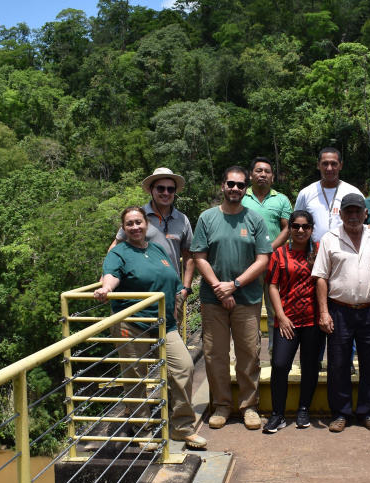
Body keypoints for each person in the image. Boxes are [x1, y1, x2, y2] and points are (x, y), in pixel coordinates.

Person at [94, 206, 207, 449]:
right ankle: (142, 430)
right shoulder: (119, 252)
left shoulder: (157, 249)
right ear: (123, 229)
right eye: (129, 224)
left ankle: (182, 427)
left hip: (165, 322)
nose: (135, 227)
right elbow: (111, 275)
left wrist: (180, 294)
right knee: (136, 377)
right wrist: (107, 288)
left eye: (138, 222)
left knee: (183, 368)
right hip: (132, 324)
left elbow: (171, 278)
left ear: (147, 225)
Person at [192, 166, 272, 431]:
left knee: (249, 353)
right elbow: (199, 257)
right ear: (222, 186)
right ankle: (222, 405)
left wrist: (235, 285)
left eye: (240, 185)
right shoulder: (207, 218)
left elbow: (263, 260)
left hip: (247, 298)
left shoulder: (255, 220)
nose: (235, 189)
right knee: (215, 354)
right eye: (230, 184)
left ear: (245, 188)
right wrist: (219, 287)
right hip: (213, 300)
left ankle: (249, 406)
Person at [313, 194, 370, 433]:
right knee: (338, 364)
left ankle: (368, 412)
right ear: (341, 214)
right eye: (348, 211)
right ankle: (340, 413)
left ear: (365, 213)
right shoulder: (330, 239)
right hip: (339, 310)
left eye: (358, 211)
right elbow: (321, 278)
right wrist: (324, 312)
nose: (353, 216)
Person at [109, 168, 195, 326]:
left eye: (170, 189)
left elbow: (189, 255)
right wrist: (108, 276)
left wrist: (186, 289)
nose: (166, 192)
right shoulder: (137, 218)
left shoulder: (182, 220)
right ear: (151, 190)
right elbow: (116, 247)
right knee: (142, 344)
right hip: (139, 294)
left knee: (168, 342)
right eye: (160, 188)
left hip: (171, 293)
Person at [262, 210, 324, 433]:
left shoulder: (318, 251)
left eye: (305, 226)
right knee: (279, 365)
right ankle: (278, 413)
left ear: (311, 229)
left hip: (313, 320)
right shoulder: (279, 253)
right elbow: (272, 285)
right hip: (286, 320)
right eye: (295, 226)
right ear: (289, 229)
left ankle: (303, 409)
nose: (300, 230)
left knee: (310, 365)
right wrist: (281, 316)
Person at [241, 157, 292, 351]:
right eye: (259, 171)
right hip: (247, 264)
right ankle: (249, 353)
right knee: (248, 311)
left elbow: (287, 229)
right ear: (251, 174)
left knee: (275, 310)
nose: (263, 174)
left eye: (267, 171)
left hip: (274, 264)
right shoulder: (242, 197)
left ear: (272, 176)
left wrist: (268, 250)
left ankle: (274, 352)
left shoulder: (281, 199)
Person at [294, 147, 364, 242]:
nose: (329, 168)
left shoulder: (353, 192)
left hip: (347, 251)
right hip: (315, 253)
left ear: (341, 165)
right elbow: (296, 223)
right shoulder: (306, 193)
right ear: (318, 165)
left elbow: (365, 221)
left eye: (334, 164)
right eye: (325, 164)